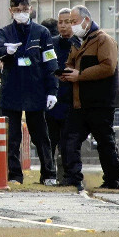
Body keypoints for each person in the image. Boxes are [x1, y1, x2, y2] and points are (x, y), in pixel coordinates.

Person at [0, 0, 58, 186]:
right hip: (11, 91)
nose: (20, 13)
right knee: (12, 138)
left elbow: (50, 62)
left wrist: (52, 91)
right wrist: (8, 51)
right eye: (16, 10)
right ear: (10, 11)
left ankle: (49, 174)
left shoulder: (42, 33)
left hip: (35, 90)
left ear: (30, 9)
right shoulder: (4, 32)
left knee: (41, 136)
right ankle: (15, 176)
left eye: (24, 10)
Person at [58, 5, 119, 191]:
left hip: (100, 103)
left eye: (74, 21)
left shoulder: (104, 40)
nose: (71, 25)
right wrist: (66, 72)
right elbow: (70, 63)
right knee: (69, 139)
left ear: (86, 20)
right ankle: (72, 178)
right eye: (69, 21)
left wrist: (80, 74)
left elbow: (107, 67)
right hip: (79, 103)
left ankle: (112, 179)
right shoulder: (78, 41)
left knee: (104, 142)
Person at [45, 9, 80, 182]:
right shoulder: (50, 44)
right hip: (52, 101)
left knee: (69, 143)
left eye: (67, 22)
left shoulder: (80, 44)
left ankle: (68, 176)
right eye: (60, 22)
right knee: (49, 140)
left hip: (72, 101)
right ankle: (48, 175)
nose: (63, 26)